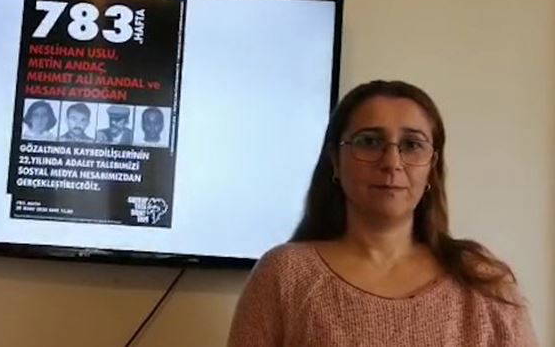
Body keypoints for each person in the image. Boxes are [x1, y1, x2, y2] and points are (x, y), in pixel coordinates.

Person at [228, 80, 537, 346]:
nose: (391, 162)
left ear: (432, 166)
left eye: (411, 144)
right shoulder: (284, 275)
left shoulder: (482, 282)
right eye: (369, 142)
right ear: (335, 159)